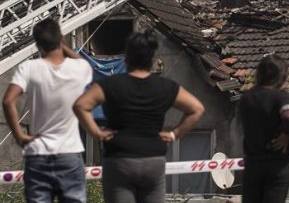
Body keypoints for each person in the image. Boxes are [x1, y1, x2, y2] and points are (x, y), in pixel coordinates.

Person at [73, 30, 204, 203]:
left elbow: (80, 105)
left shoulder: (110, 85)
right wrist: (174, 134)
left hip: (120, 159)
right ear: (151, 59)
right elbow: (197, 109)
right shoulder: (165, 87)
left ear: (126, 57)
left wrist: (96, 132)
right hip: (153, 159)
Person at [2, 18, 93, 203]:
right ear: (60, 38)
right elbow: (82, 62)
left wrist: (20, 136)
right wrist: (62, 44)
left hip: (38, 154)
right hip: (69, 152)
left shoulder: (29, 68)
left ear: (37, 45)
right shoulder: (80, 69)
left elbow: (8, 101)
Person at [239, 54, 289, 203]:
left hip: (253, 163)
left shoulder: (246, 98)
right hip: (277, 164)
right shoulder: (280, 97)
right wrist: (285, 135)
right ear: (282, 76)